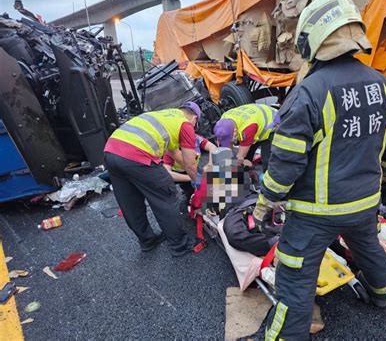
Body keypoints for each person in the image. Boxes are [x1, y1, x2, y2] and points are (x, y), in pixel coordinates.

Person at [252, 0, 386, 340]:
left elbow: (286, 161)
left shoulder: (308, 93)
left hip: (314, 213)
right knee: (368, 247)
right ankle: (383, 296)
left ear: (313, 39)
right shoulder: (384, 87)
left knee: (295, 276)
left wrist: (266, 203)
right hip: (364, 203)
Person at [103, 102, 201, 255]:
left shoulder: (166, 115)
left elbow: (176, 155)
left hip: (111, 150)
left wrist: (193, 172)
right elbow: (190, 164)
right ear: (194, 118)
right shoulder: (186, 125)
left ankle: (147, 241)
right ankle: (180, 244)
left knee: (130, 201)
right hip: (136, 154)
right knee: (165, 195)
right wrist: (200, 184)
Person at [213, 104, 278, 170]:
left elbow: (240, 157)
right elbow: (225, 149)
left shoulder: (248, 128)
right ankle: (249, 172)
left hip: (273, 123)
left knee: (267, 160)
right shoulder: (223, 121)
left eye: (228, 140)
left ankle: (266, 177)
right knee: (247, 156)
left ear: (235, 132)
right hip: (257, 119)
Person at [163, 134, 217, 208]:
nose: (195, 153)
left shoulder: (195, 139)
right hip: (178, 173)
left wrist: (210, 164)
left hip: (193, 168)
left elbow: (212, 147)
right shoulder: (170, 152)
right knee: (189, 194)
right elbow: (167, 174)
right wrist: (190, 178)